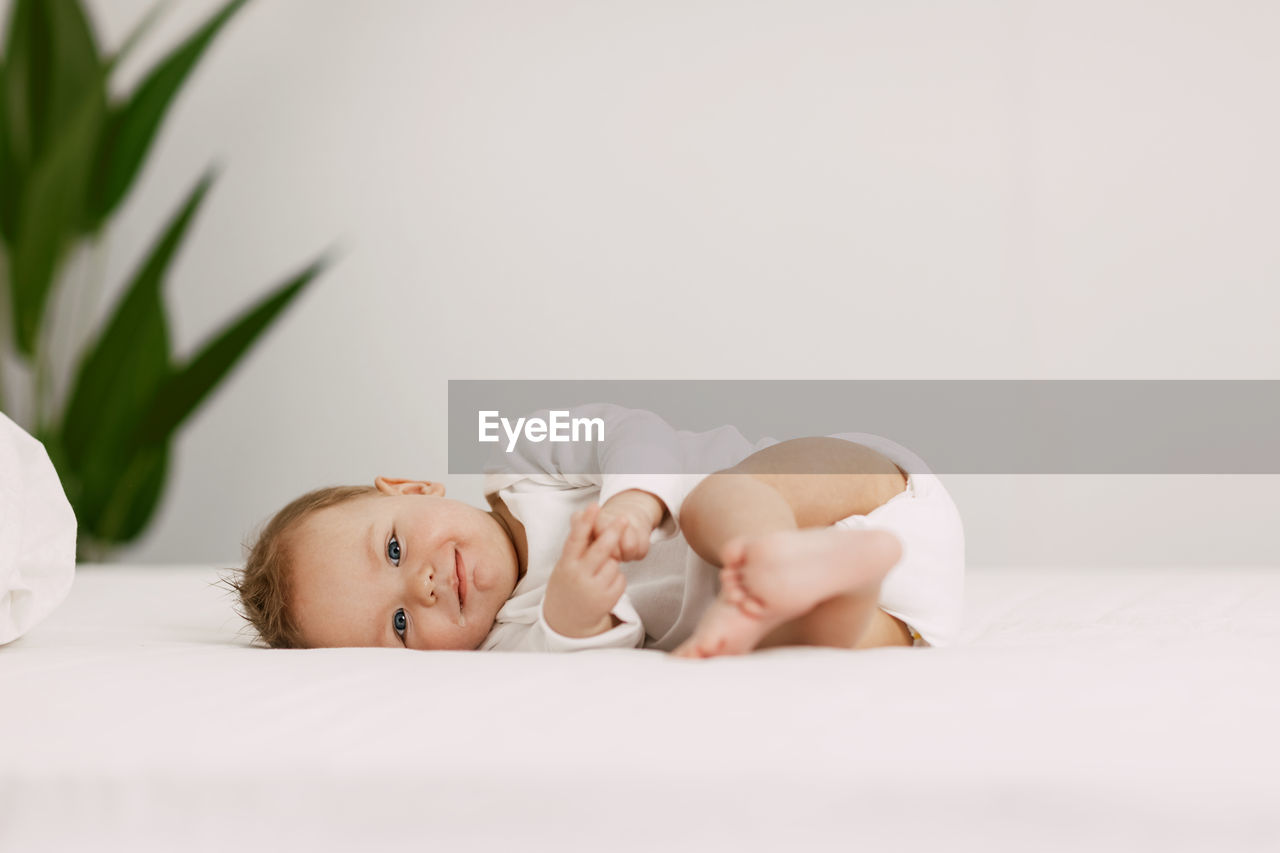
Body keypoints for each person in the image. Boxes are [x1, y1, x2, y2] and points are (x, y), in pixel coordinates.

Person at [225, 403, 964, 657]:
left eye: (392, 547)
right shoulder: (516, 638)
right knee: (777, 640)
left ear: (411, 487)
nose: (418, 583)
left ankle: (781, 551)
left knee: (714, 508)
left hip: (854, 485)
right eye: (395, 623)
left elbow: (632, 429)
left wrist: (633, 504)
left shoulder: (517, 456)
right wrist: (575, 612)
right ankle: (837, 580)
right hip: (906, 619)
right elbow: (582, 665)